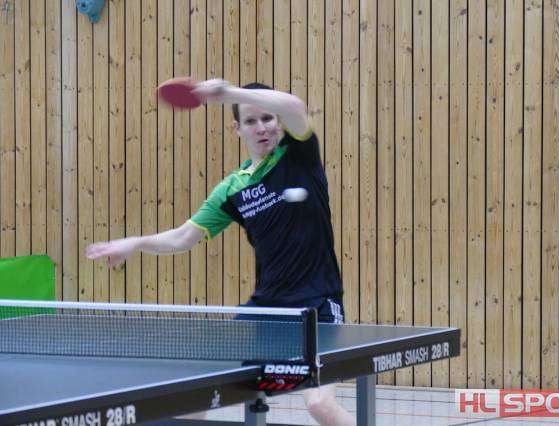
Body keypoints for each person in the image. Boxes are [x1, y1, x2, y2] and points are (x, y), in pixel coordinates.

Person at [86, 80, 356, 426]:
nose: (262, 128)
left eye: (268, 118)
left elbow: (295, 106)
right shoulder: (233, 189)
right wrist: (135, 243)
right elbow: (183, 237)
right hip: (266, 309)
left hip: (316, 305)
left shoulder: (299, 155)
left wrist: (228, 94)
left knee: (319, 404)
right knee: (198, 391)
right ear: (237, 129)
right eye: (251, 121)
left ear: (279, 122)